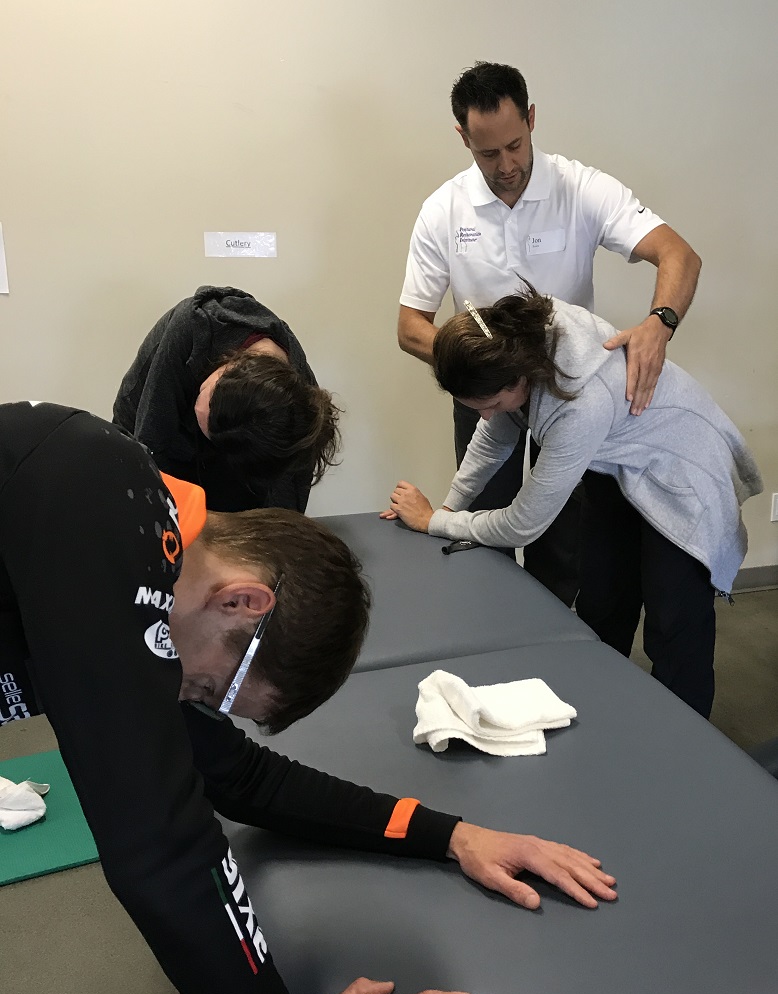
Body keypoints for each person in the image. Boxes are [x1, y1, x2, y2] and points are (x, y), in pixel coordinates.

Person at [0, 400, 617, 994]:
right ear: (242, 602)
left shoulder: (136, 541)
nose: (188, 697)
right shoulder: (100, 506)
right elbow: (160, 848)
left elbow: (238, 774)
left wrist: (451, 835)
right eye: (210, 690)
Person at [398, 61, 702, 606]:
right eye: (488, 153)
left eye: (515, 146)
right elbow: (410, 327)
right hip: (488, 393)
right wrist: (483, 363)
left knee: (561, 542)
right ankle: (487, 629)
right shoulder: (443, 209)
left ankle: (552, 639)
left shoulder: (581, 188)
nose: (506, 165)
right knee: (477, 533)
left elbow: (678, 254)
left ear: (532, 119)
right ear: (463, 138)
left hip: (566, 395)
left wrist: (660, 323)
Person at [383, 290, 762, 719]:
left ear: (518, 381)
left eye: (490, 405)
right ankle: (603, 713)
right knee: (602, 603)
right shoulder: (514, 350)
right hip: (618, 467)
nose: (486, 416)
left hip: (684, 475)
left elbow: (522, 525)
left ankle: (685, 738)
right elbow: (493, 440)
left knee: (673, 624)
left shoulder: (581, 402)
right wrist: (449, 508)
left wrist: (434, 522)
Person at [113, 285, 340, 513]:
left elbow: (286, 492)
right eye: (206, 390)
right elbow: (150, 444)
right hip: (150, 420)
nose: (199, 407)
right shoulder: (192, 327)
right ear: (234, 361)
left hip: (231, 444)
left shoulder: (298, 409)